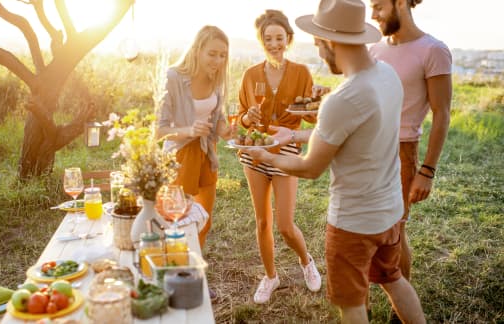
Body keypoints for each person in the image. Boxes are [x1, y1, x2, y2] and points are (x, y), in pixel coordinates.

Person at [242, 0, 426, 322]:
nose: (318, 50)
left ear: (329, 41)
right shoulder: (388, 76)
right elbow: (354, 135)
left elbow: (311, 167)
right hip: (390, 211)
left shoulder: (343, 98)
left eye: (317, 42)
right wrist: (294, 136)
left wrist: (265, 154)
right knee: (394, 279)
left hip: (353, 223)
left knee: (352, 304)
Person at [237, 9, 322, 304]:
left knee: (285, 224)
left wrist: (316, 105)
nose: (274, 43)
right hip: (255, 151)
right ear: (261, 40)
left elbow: (312, 117)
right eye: (268, 38)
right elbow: (240, 121)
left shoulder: (301, 72)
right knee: (262, 222)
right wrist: (247, 118)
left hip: (286, 148)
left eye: (279, 37)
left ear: (288, 39)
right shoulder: (250, 75)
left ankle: (306, 261)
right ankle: (271, 277)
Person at [369, 0, 452, 288]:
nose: (373, 14)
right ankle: (360, 309)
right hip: (367, 149)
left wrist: (427, 170)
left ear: (401, 3)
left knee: (395, 234)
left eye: (378, 6)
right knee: (363, 231)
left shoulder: (433, 50)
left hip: (402, 152)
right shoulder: (374, 49)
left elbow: (442, 113)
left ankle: (401, 312)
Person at [156, 25, 235, 250]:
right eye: (212, 54)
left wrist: (224, 130)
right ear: (197, 50)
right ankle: (174, 275)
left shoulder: (217, 79)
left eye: (223, 55)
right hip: (179, 157)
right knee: (177, 224)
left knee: (204, 222)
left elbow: (216, 117)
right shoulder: (173, 77)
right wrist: (189, 130)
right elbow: (158, 131)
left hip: (207, 153)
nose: (218, 61)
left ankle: (195, 274)